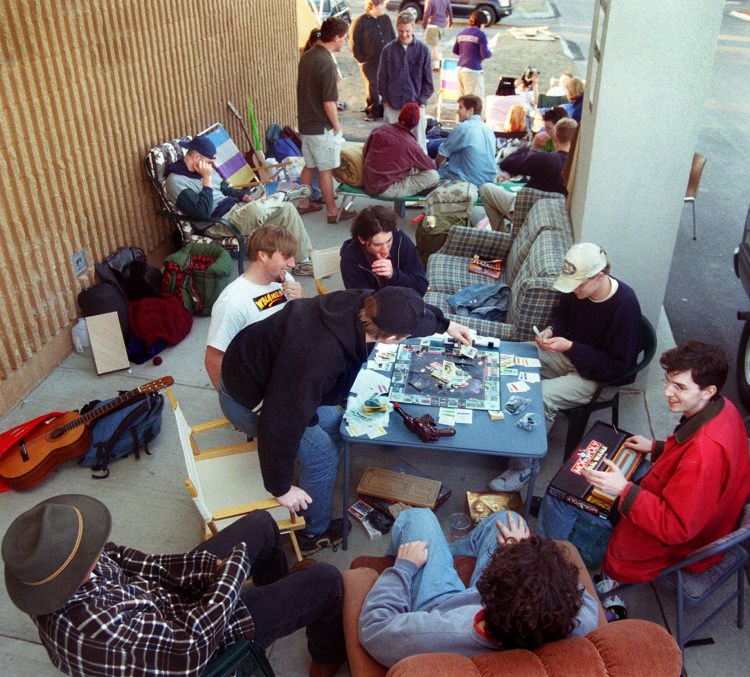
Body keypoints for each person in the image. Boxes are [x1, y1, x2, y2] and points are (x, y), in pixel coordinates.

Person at [219, 287, 472, 556]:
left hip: (274, 372)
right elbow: (279, 423)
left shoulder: (364, 302)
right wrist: (279, 487)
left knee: (336, 424)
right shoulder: (317, 361)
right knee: (323, 456)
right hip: (253, 397)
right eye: (405, 337)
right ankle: (314, 533)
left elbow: (408, 314)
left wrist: (446, 325)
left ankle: (317, 482)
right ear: (388, 337)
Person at [2, 495, 346, 677]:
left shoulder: (53, 570)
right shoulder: (93, 628)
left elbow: (133, 561)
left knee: (262, 522)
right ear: (70, 572)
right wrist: (231, 573)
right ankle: (325, 658)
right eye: (90, 545)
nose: (99, 543)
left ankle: (280, 592)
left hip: (167, 607)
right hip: (192, 645)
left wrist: (204, 568)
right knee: (327, 582)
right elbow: (189, 648)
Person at [538, 341, 750, 589]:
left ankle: (549, 568)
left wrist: (623, 490)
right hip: (696, 510)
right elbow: (689, 458)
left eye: (679, 387)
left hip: (671, 541)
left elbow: (675, 528)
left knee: (559, 495)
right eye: (667, 382)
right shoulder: (723, 408)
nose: (667, 393)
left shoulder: (704, 456)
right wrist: (656, 448)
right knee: (608, 461)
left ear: (708, 391)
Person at [358, 508, 598, 667]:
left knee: (419, 517)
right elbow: (579, 596)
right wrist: (522, 550)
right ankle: (442, 551)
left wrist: (404, 568)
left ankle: (434, 552)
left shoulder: (443, 634)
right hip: (503, 608)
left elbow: (374, 627)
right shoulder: (577, 619)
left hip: (442, 605)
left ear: (488, 590)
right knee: (508, 520)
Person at [490, 243, 642, 491]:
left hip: (599, 378)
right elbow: (562, 315)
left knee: (540, 396)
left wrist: (571, 347)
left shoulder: (625, 305)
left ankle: (523, 467)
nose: (574, 290)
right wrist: (552, 330)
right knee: (516, 356)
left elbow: (616, 367)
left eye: (579, 285)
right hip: (571, 354)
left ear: (600, 276)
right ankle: (506, 430)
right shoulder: (578, 289)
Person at [164, 136, 314, 273]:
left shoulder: (204, 170)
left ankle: (303, 262)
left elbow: (225, 189)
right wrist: (207, 180)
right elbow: (202, 213)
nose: (210, 167)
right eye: (209, 162)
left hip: (237, 210)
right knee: (257, 210)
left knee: (287, 209)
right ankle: (280, 196)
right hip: (218, 224)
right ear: (196, 157)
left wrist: (244, 196)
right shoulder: (176, 181)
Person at [205, 225, 304, 391]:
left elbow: (304, 319)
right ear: (263, 255)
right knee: (330, 416)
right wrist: (233, 401)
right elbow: (213, 359)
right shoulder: (232, 302)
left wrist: (303, 298)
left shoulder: (284, 278)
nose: (292, 264)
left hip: (290, 363)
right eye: (286, 257)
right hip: (265, 380)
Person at [296, 16, 357, 224]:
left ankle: (303, 203)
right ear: (337, 37)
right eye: (345, 38)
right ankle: (332, 211)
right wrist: (337, 127)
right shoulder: (327, 63)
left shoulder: (308, 55)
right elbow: (329, 103)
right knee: (325, 169)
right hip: (320, 126)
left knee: (309, 165)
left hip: (305, 122)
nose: (345, 42)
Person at [479, 117, 578, 229]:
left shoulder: (547, 159)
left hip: (525, 211)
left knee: (486, 189)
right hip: (553, 215)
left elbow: (506, 164)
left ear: (555, 136)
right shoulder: (578, 168)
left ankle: (501, 234)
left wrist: (533, 145)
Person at [340, 205, 428, 295]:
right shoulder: (350, 260)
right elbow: (362, 302)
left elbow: (421, 287)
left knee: (437, 310)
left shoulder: (401, 240)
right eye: (377, 244)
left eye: (389, 240)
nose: (385, 250)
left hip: (408, 301)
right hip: (377, 307)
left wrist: (394, 274)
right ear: (362, 240)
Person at [378, 11, 434, 153]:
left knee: (419, 146)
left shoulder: (423, 50)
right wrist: (385, 102)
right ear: (397, 28)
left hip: (415, 106)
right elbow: (382, 78)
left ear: (413, 29)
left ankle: (421, 173)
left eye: (407, 31)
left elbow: (428, 82)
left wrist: (421, 101)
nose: (404, 35)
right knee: (390, 147)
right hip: (393, 106)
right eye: (401, 31)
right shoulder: (388, 50)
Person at [362, 102, 439, 198]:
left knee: (409, 167)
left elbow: (365, 152)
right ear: (415, 124)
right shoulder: (411, 144)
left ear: (400, 116)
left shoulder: (379, 129)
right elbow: (430, 166)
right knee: (433, 175)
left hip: (369, 182)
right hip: (386, 189)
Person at [435, 95, 496, 188]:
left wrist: (435, 168)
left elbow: (441, 157)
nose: (457, 111)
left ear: (470, 111)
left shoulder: (463, 128)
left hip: (467, 181)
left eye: (460, 107)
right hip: (489, 180)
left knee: (430, 175)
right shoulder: (489, 130)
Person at [350, 0, 396, 122]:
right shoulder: (360, 21)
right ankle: (372, 111)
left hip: (385, 60)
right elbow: (354, 42)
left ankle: (386, 109)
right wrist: (361, 60)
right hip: (369, 62)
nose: (384, 7)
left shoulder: (385, 19)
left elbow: (392, 37)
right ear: (374, 6)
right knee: (373, 86)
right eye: (382, 5)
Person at [452, 10, 492, 101]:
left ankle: (460, 116)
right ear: (481, 23)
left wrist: (466, 53)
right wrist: (490, 53)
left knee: (462, 101)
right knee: (474, 101)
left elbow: (455, 50)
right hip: (473, 69)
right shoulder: (480, 35)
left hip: (460, 69)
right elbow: (484, 54)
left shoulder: (462, 32)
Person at [422, 0, 453, 70]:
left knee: (434, 46)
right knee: (437, 43)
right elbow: (450, 11)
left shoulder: (430, 1)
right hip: (442, 25)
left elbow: (427, 13)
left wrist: (424, 26)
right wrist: (450, 23)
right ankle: (440, 60)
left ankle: (436, 66)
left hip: (433, 26)